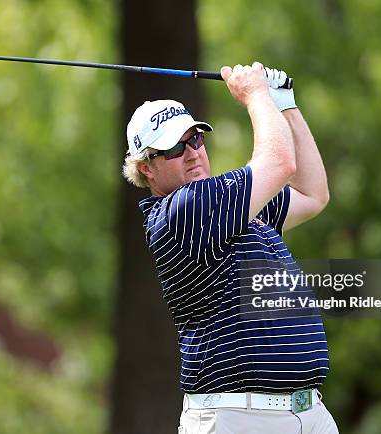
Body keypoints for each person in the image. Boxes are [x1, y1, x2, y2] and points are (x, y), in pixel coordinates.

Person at [122, 62, 338, 434]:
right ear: (146, 170)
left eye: (195, 139)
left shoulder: (225, 206)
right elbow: (280, 162)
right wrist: (255, 94)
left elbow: (312, 194)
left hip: (308, 413)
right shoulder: (184, 210)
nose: (191, 153)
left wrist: (285, 104)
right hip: (239, 418)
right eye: (173, 148)